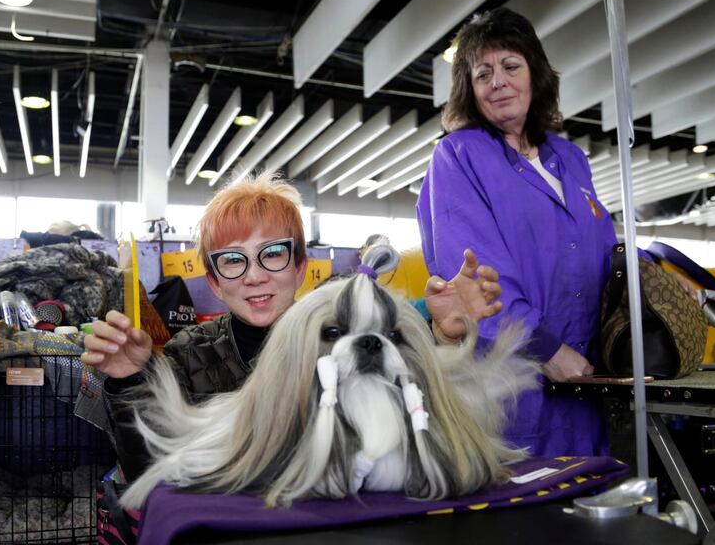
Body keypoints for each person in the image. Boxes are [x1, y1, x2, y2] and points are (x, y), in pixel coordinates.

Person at [82, 171, 504, 482]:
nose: (254, 275)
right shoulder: (186, 355)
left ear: (301, 265)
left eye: (273, 253)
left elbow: (426, 431)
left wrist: (445, 339)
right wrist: (129, 383)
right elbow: (149, 471)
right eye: (232, 260)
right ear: (213, 280)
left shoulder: (349, 335)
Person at [417, 7, 616, 457]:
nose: (498, 82)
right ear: (470, 87)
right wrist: (547, 349)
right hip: (513, 395)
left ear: (535, 75)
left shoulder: (571, 160)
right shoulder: (458, 156)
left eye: (511, 66)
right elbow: (477, 277)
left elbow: (600, 254)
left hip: (590, 387)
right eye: (483, 73)